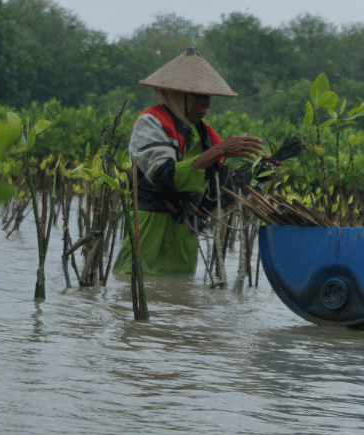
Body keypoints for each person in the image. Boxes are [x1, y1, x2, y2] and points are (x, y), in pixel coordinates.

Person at [113, 47, 264, 276]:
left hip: (184, 241)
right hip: (149, 232)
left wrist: (260, 173)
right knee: (138, 284)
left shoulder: (206, 136)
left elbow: (216, 195)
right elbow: (164, 177)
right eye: (201, 97)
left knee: (180, 300)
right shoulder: (151, 123)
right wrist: (219, 150)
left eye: (209, 97)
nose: (208, 105)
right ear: (179, 96)